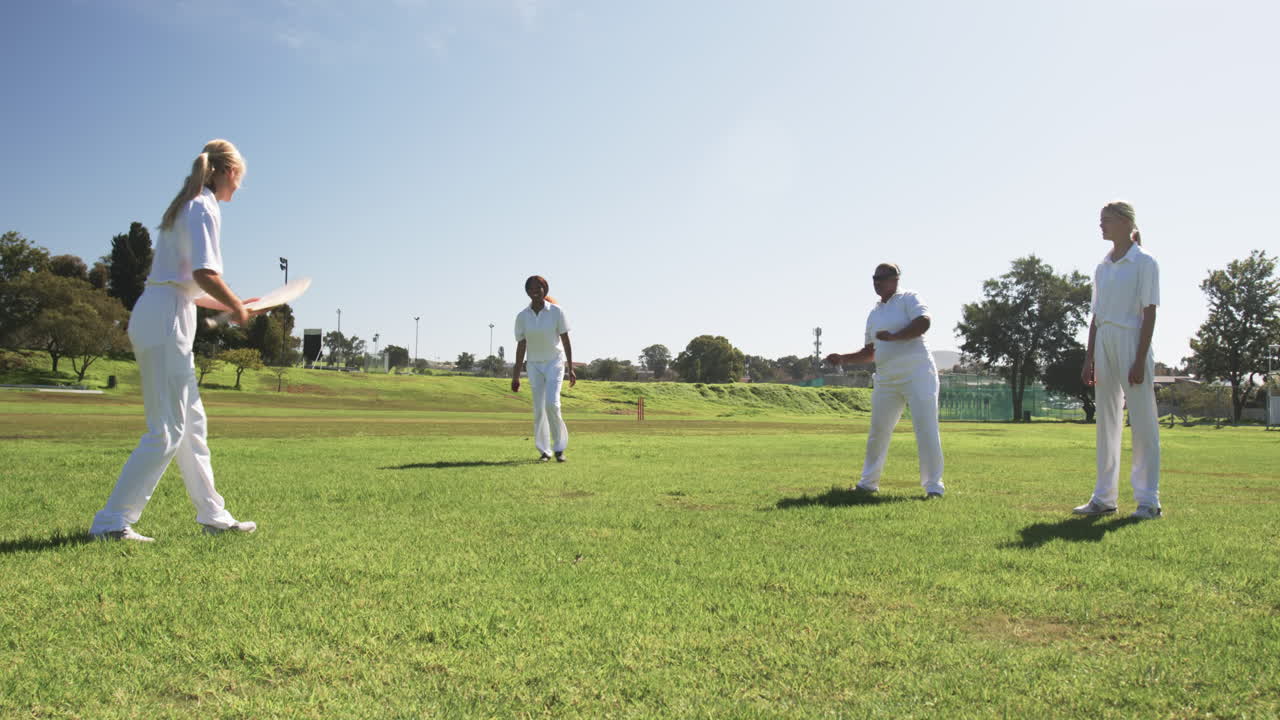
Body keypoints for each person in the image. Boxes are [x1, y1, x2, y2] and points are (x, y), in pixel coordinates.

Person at [89, 140, 259, 542]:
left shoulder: (188, 205)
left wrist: (236, 303)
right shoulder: (203, 206)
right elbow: (204, 273)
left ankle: (213, 515)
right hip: (166, 320)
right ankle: (112, 521)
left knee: (191, 426)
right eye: (240, 177)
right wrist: (234, 305)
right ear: (226, 172)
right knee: (167, 430)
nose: (239, 186)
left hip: (163, 311)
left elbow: (187, 283)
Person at [1073, 201, 1162, 519]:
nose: (1101, 226)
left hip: (1131, 340)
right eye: (1100, 220)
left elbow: (1150, 312)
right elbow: (1096, 316)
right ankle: (1103, 497)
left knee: (1142, 421)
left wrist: (1139, 359)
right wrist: (1089, 358)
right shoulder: (1102, 266)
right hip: (1104, 344)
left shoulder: (1145, 262)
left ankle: (1148, 500)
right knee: (1106, 421)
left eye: (1106, 220)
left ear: (1125, 222)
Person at [825, 263, 945, 499]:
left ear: (896, 279)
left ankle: (933, 487)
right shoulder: (874, 314)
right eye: (874, 278)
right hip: (887, 379)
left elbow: (924, 322)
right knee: (878, 431)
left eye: (882, 277)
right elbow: (871, 351)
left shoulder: (909, 299)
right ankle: (868, 484)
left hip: (918, 373)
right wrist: (843, 359)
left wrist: (895, 337)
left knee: (926, 429)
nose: (876, 282)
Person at [511, 275, 575, 462]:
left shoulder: (557, 312)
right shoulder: (522, 316)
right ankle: (544, 451)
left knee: (552, 404)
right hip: (534, 365)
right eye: (530, 289)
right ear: (527, 292)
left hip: (554, 363)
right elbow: (521, 346)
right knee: (539, 409)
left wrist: (570, 368)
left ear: (545, 289)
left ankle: (559, 448)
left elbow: (566, 341)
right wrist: (516, 376)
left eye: (538, 288)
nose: (534, 291)